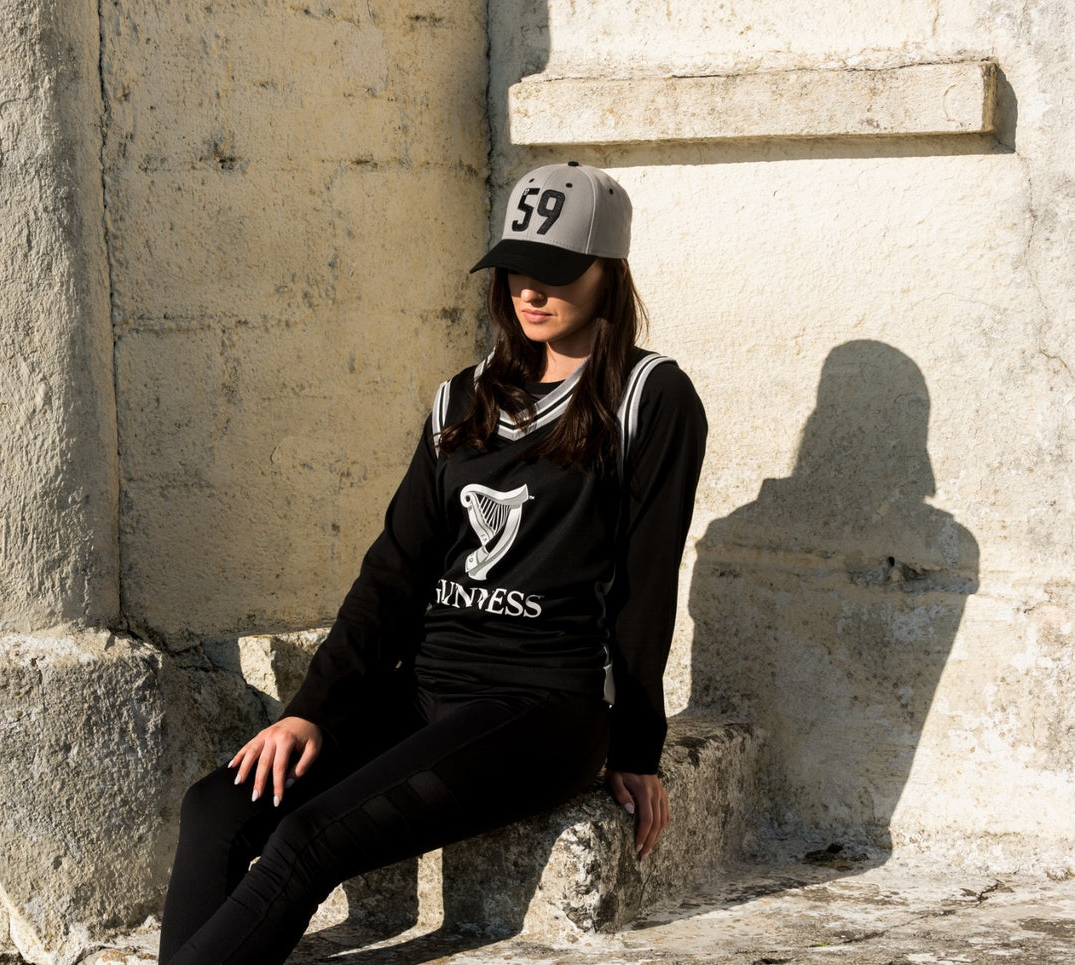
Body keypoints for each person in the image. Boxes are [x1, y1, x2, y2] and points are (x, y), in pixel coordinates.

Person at [158, 162, 707, 965]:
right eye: (517, 264)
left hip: (540, 706)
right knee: (216, 806)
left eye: (556, 270)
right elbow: (395, 571)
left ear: (608, 273)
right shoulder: (464, 396)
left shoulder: (648, 398)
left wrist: (636, 749)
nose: (529, 288)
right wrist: (311, 708)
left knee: (308, 839)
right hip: (424, 690)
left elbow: (646, 584)